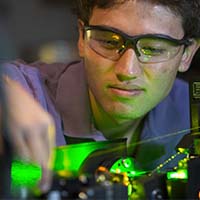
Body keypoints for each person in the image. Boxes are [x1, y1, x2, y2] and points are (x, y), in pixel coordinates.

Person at [2, 0, 200, 184]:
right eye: (109, 42)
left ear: (187, 54)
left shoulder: (189, 112)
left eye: (153, 49)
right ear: (81, 37)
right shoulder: (24, 92)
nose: (127, 71)